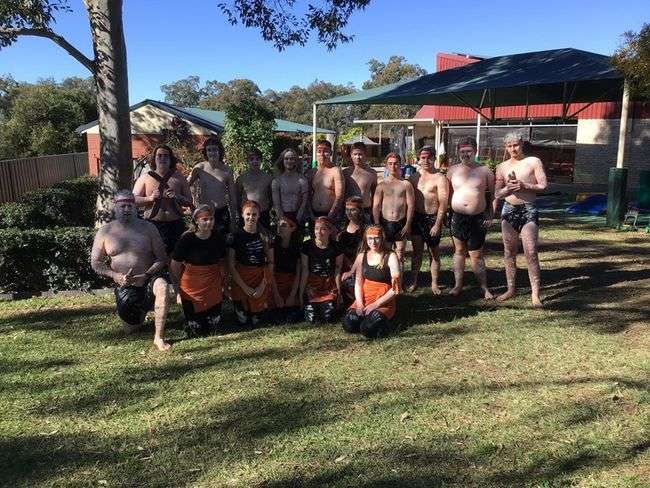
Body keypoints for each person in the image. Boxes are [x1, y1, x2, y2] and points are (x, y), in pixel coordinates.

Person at [91, 190, 172, 351]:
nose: (126, 209)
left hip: (150, 278)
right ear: (116, 208)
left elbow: (162, 258)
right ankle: (140, 313)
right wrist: (115, 275)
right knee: (131, 329)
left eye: (130, 205)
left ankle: (159, 337)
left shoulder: (148, 228)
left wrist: (148, 273)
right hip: (126, 286)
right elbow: (96, 262)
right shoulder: (105, 232)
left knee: (163, 287)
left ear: (135, 208)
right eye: (123, 206)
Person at [494, 132, 548, 307]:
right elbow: (497, 193)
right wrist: (507, 190)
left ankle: (535, 294)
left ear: (521, 144)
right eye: (509, 146)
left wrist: (525, 185)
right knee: (509, 252)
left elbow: (543, 186)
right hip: (508, 210)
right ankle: (511, 288)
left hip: (528, 209)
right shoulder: (502, 166)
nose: (513, 149)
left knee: (530, 252)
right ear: (505, 147)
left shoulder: (533, 161)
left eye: (515, 145)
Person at [446, 137, 495, 299]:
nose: (465, 154)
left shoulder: (485, 171)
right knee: (459, 251)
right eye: (462, 151)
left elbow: (493, 196)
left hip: (478, 218)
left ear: (475, 151)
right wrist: (447, 213)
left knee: (477, 254)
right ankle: (457, 285)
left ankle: (484, 287)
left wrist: (490, 215)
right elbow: (447, 195)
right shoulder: (452, 170)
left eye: (468, 151)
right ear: (458, 152)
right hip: (458, 217)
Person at [169, 204, 227, 337]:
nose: (209, 222)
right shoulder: (187, 239)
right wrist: (177, 288)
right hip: (191, 288)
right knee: (197, 331)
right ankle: (188, 316)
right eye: (205, 219)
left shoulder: (217, 237)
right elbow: (174, 264)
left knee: (214, 328)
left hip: (213, 286)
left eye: (211, 219)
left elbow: (223, 260)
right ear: (196, 221)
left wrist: (223, 280)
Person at [342, 225, 401, 339]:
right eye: (370, 238)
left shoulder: (391, 256)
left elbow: (396, 289)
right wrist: (359, 304)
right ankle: (365, 317)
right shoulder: (362, 256)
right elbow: (358, 282)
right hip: (365, 297)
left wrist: (376, 305)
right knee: (349, 324)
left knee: (368, 329)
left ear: (382, 238)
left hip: (383, 300)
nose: (373, 242)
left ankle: (385, 321)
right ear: (365, 239)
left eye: (376, 238)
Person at [133, 145, 193, 254]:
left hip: (175, 224)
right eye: (159, 156)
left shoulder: (179, 178)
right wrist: (150, 198)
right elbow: (133, 200)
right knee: (154, 259)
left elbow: (189, 201)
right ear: (154, 159)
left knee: (176, 260)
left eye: (166, 156)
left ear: (170, 159)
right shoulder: (145, 178)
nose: (162, 158)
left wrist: (177, 197)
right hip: (152, 225)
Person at [408, 146, 449, 294]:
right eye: (423, 158)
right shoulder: (414, 178)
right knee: (416, 253)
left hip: (433, 218)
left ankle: (434, 283)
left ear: (434, 158)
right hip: (417, 219)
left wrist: (438, 223)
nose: (426, 161)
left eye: (429, 157)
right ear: (419, 159)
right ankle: (413, 281)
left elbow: (443, 203)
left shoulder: (440, 178)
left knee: (434, 253)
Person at [227, 200, 273, 327]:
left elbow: (271, 262)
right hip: (241, 280)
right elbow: (231, 265)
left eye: (254, 214)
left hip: (260, 278)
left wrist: (262, 286)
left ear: (259, 215)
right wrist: (245, 288)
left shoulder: (265, 236)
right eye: (248, 214)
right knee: (243, 321)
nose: (251, 217)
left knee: (258, 322)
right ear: (242, 215)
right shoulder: (234, 236)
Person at [187, 137, 237, 234]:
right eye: (209, 150)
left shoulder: (227, 170)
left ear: (220, 151)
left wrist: (234, 220)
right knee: (204, 243)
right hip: (204, 212)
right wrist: (191, 205)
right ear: (205, 152)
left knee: (222, 244)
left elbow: (232, 196)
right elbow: (185, 185)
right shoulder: (199, 168)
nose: (212, 153)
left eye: (215, 149)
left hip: (221, 212)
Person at [372, 153, 415, 265]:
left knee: (400, 252)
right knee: (385, 252)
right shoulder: (381, 185)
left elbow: (411, 205)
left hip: (401, 222)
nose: (393, 166)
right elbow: (376, 206)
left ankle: (399, 281)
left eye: (395, 163)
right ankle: (387, 279)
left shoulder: (406, 184)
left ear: (400, 165)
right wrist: (377, 223)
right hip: (385, 222)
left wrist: (408, 224)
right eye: (390, 164)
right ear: (386, 165)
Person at [300, 216, 343, 323]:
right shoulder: (307, 246)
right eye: (316, 228)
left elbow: (337, 270)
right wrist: (301, 293)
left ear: (330, 231)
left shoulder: (336, 247)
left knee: (328, 317)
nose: (319, 232)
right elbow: (305, 270)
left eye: (323, 229)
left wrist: (339, 292)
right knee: (312, 319)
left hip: (329, 284)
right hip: (312, 284)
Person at [270, 216, 303, 323]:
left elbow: (299, 272)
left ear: (292, 228)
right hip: (276, 281)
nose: (280, 228)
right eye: (279, 226)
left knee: (293, 310)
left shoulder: (297, 246)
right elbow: (270, 271)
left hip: (292, 282)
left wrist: (292, 295)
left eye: (284, 225)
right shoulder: (273, 245)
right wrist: (276, 295)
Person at [308, 140, 345, 228]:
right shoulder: (313, 172)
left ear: (331, 153)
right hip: (314, 214)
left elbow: (340, 196)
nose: (322, 154)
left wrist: (330, 215)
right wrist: (311, 215)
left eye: (326, 151)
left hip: (330, 215)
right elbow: (308, 195)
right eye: (319, 151)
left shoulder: (335, 171)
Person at [236, 148, 274, 231]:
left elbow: (271, 197)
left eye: (257, 159)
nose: (255, 161)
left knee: (264, 240)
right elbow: (237, 197)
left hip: (263, 214)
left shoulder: (268, 178)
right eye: (252, 159)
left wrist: (266, 207)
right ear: (248, 161)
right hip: (246, 214)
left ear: (261, 161)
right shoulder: (241, 179)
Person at [338, 196, 365, 304]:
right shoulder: (341, 226)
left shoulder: (365, 228)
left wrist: (353, 268)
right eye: (347, 210)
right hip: (344, 262)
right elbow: (339, 249)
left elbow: (364, 251)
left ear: (359, 210)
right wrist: (348, 266)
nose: (349, 213)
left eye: (353, 210)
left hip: (360, 263)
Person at [271, 147, 308, 225]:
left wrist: (297, 219)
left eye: (292, 159)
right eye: (286, 159)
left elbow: (304, 202)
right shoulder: (277, 181)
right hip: (283, 217)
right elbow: (276, 204)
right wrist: (282, 219)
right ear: (282, 161)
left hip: (298, 217)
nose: (289, 161)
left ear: (296, 161)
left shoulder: (302, 180)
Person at [343, 142, 377, 224]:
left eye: (360, 154)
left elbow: (375, 193)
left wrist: (374, 210)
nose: (358, 157)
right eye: (355, 154)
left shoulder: (371, 173)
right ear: (351, 155)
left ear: (365, 155)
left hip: (365, 210)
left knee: (365, 235)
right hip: (349, 210)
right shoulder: (345, 173)